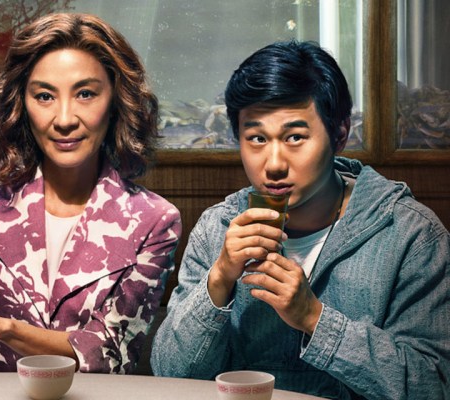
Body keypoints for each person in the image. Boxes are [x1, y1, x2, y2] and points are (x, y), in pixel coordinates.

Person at [151, 40, 450, 399]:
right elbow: (169, 374)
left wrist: (314, 318)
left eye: (295, 137)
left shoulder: (409, 234)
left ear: (339, 134)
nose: (274, 164)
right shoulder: (219, 228)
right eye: (257, 138)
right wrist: (219, 279)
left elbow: (433, 385)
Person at [0, 13, 182, 374]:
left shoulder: (155, 220)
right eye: (44, 96)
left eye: (85, 94)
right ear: (21, 104)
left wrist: (3, 328)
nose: (65, 118)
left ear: (117, 100)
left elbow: (109, 350)